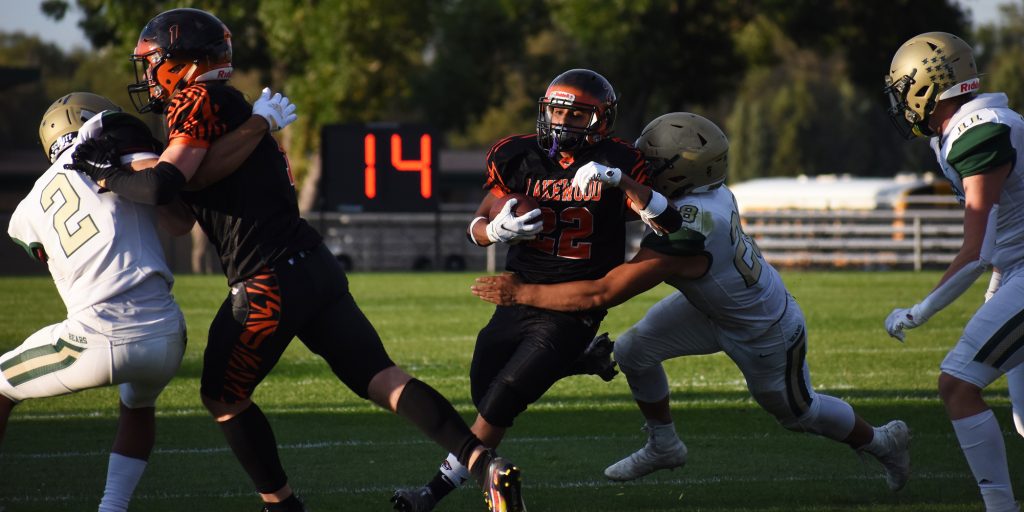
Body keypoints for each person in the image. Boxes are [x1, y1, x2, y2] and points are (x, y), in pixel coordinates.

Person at [64, 8, 520, 512]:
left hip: (265, 279)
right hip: (313, 264)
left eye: (153, 62)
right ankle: (482, 463)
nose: (148, 74)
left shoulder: (197, 97)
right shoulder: (228, 106)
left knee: (222, 397)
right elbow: (181, 210)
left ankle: (282, 505)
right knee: (383, 377)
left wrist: (108, 174)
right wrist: (251, 127)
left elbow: (166, 183)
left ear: (184, 63)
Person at [470, 112, 911, 494]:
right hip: (708, 307)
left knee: (799, 412)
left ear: (679, 173)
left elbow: (601, 293)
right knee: (632, 351)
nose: (642, 168)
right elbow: (649, 206)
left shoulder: (693, 225)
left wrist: (522, 294)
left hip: (761, 327)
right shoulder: (700, 194)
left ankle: (882, 442)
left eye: (653, 164)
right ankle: (665, 445)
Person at [392, 68, 683, 512]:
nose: (563, 121)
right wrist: (496, 229)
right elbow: (475, 226)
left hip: (573, 303)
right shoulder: (516, 155)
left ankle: (434, 494)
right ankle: (578, 359)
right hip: (518, 292)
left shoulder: (618, 160)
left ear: (601, 121)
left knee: (503, 397)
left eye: (577, 114)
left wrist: (619, 180)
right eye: (557, 110)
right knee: (483, 390)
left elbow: (669, 223)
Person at [1, 92, 185, 512]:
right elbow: (176, 212)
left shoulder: (27, 208)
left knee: (0, 385)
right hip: (167, 338)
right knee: (138, 402)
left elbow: (42, 250)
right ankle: (112, 507)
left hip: (93, 341)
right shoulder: (108, 133)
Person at [883, 32, 1024, 512]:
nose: (901, 104)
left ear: (926, 86)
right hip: (1016, 267)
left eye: (904, 91)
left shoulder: (978, 131)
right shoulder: (973, 126)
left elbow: (977, 250)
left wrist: (919, 311)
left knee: (957, 382)